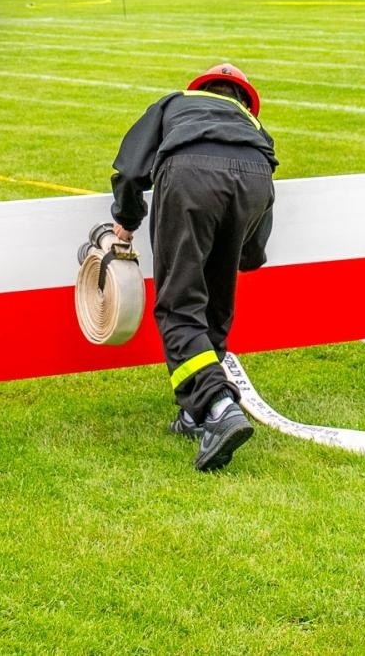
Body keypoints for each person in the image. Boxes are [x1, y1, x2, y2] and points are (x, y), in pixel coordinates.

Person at [109, 64, 276, 472]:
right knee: (216, 303)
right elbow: (266, 196)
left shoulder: (174, 103)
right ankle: (193, 412)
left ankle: (218, 405)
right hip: (255, 178)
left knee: (179, 305)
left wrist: (126, 220)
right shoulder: (252, 124)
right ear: (244, 100)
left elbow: (131, 169)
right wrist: (248, 253)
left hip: (189, 175)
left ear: (200, 89)